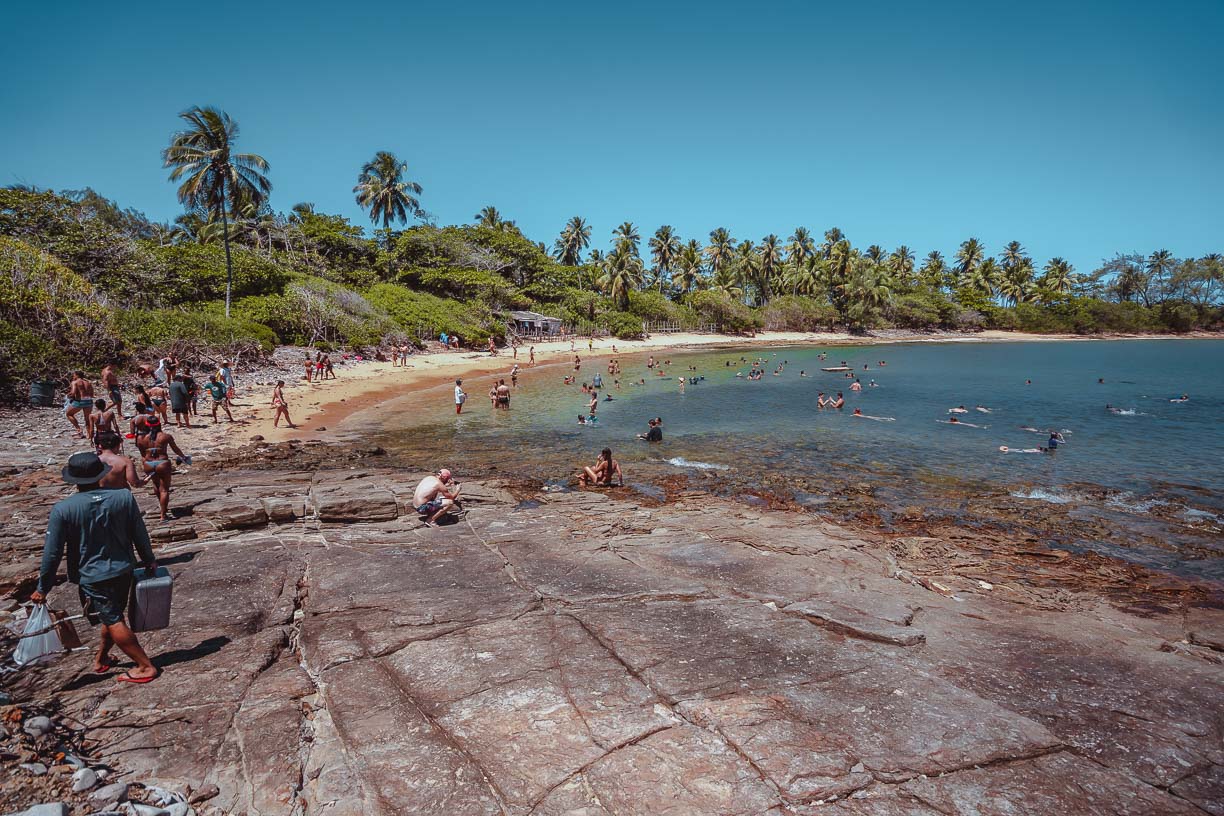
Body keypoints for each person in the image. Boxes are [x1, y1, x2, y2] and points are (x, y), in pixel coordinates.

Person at [31, 452, 160, 683]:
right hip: (123, 569)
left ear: (73, 480)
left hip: (93, 575)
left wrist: (43, 587)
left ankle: (144, 666)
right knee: (112, 615)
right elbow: (139, 533)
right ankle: (102, 658)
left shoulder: (63, 509)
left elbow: (52, 553)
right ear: (100, 474)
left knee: (112, 619)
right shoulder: (123, 497)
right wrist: (148, 559)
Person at [137, 416, 189, 520]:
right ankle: (163, 514)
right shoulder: (166, 436)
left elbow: (143, 453)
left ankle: (162, 507)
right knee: (164, 489)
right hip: (162, 462)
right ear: (159, 424)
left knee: (156, 486)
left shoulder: (141, 438)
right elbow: (175, 449)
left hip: (149, 463)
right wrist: (183, 457)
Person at [66, 371, 95, 439]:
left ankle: (79, 430)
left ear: (77, 375)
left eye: (74, 375)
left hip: (80, 401)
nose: (73, 376)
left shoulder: (75, 382)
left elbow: (73, 393)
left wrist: (68, 395)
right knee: (87, 418)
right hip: (89, 401)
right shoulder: (88, 382)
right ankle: (89, 434)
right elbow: (92, 394)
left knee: (69, 414)